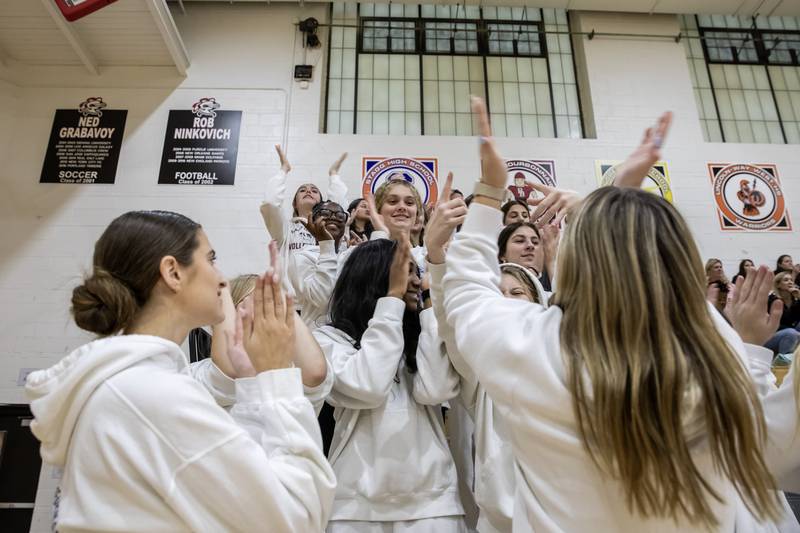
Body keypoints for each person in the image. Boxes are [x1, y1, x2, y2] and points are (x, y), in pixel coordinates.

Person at [441, 99, 780, 531]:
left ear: (573, 257)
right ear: (678, 264)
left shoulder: (530, 346)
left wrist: (489, 192)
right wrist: (618, 204)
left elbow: (466, 289)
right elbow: (676, 294)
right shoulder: (714, 352)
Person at [24, 211, 335, 531]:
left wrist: (251, 382)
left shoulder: (137, 384)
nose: (222, 279)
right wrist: (277, 374)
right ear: (173, 272)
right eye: (211, 260)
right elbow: (296, 517)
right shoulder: (153, 395)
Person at [314, 238, 465, 532]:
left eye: (415, 271)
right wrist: (392, 302)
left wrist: (430, 309)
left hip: (433, 505)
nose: (414, 280)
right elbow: (368, 386)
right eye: (404, 272)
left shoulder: (422, 332)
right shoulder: (328, 340)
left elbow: (435, 390)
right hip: (354, 508)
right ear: (374, 276)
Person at [425, 174, 546, 533]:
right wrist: (436, 258)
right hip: (501, 521)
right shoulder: (483, 376)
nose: (507, 302)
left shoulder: (566, 360)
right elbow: (451, 320)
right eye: (499, 295)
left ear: (540, 303)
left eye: (517, 293)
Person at [207, 272, 333, 413]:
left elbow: (316, 373)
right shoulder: (202, 374)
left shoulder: (293, 367)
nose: (264, 314)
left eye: (270, 304)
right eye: (253, 306)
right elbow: (230, 370)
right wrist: (223, 291)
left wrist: (279, 295)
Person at [260, 146, 348, 276]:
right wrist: (283, 170)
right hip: (294, 294)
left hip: (329, 290)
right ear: (295, 204)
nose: (308, 191)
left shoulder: (330, 225)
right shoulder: (286, 229)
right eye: (302, 190)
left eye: (314, 191)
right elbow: (270, 204)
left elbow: (338, 207)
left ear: (322, 203)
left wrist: (333, 175)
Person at [288, 200, 350, 330]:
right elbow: (322, 299)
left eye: (340, 215)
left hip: (350, 340)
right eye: (325, 213)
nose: (333, 217)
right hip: (317, 339)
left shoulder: (351, 256)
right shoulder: (301, 257)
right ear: (312, 220)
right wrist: (326, 244)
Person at [366, 177, 429, 274]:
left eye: (409, 203)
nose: (402, 207)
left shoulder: (427, 257)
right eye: (392, 201)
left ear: (417, 213)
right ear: (378, 210)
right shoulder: (355, 254)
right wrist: (381, 235)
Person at [764, 272, 800, 358]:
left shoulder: (794, 299)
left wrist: (799, 298)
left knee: (793, 332)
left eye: (791, 280)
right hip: (771, 335)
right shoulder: (772, 300)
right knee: (791, 333)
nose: (790, 282)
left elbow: (795, 319)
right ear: (778, 285)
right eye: (786, 280)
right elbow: (775, 325)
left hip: (791, 331)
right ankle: (783, 361)